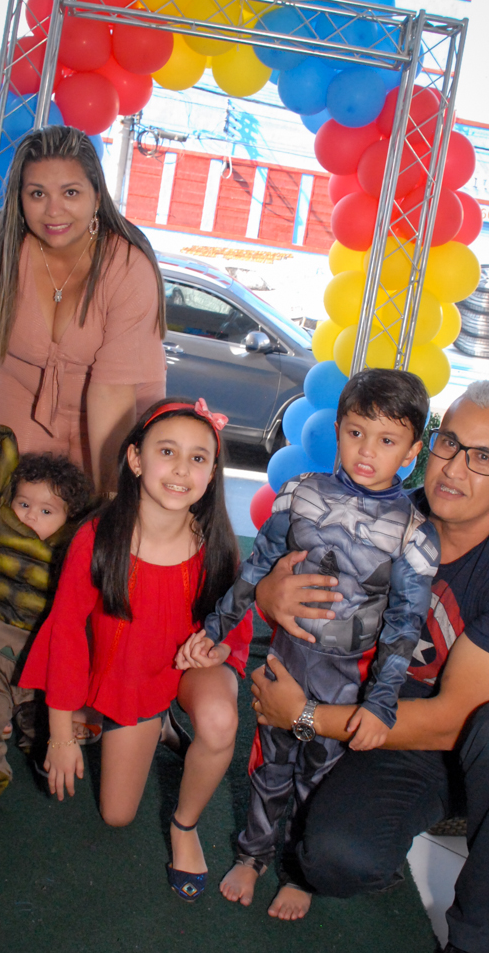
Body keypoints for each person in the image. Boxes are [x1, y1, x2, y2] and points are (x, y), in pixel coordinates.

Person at [248, 380, 489, 953]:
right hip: (392, 729)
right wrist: (268, 597)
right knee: (329, 859)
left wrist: (304, 717)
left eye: (484, 458)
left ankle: (475, 945)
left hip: (477, 736)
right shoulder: (386, 511)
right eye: (450, 443)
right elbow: (287, 577)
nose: (455, 468)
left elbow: (453, 720)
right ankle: (380, 843)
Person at [178, 369, 439, 920]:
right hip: (287, 659)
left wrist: (380, 703)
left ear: (413, 451)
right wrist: (215, 629)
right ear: (337, 428)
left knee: (318, 777)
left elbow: (403, 627)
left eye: (387, 440)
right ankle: (252, 854)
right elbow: (257, 568)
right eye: (356, 432)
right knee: (269, 766)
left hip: (347, 678)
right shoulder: (300, 494)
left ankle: (298, 872)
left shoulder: (413, 532)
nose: (367, 451)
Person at [20, 398, 252, 901]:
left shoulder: (217, 542)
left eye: (198, 458)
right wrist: (58, 734)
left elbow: (236, 619)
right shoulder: (97, 538)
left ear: (212, 472)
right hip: (132, 679)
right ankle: (154, 722)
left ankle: (184, 826)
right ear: (135, 459)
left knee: (219, 721)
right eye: (167, 451)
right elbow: (65, 633)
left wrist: (215, 650)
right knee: (116, 815)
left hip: (191, 669)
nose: (181, 469)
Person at [0, 125, 166, 494]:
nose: (54, 211)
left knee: (97, 514)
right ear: (19, 197)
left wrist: (110, 497)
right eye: (37, 193)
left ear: (97, 196)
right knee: (15, 518)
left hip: (114, 411)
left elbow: (111, 393)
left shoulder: (128, 267)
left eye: (70, 192)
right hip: (18, 400)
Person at [0, 415, 93, 817]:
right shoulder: (1, 512)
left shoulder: (76, 542)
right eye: (25, 503)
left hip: (43, 647)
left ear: (69, 517)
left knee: (38, 711)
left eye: (47, 510)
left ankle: (38, 744)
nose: (31, 515)